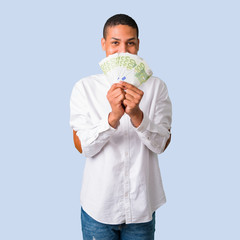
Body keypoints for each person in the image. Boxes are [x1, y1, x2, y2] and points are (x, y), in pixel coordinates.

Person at [70, 14, 172, 240]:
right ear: (103, 44)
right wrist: (113, 117)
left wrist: (137, 115)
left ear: (138, 45)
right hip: (99, 208)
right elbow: (82, 147)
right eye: (115, 43)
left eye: (130, 43)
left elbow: (161, 145)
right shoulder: (84, 88)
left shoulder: (157, 87)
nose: (123, 51)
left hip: (141, 207)